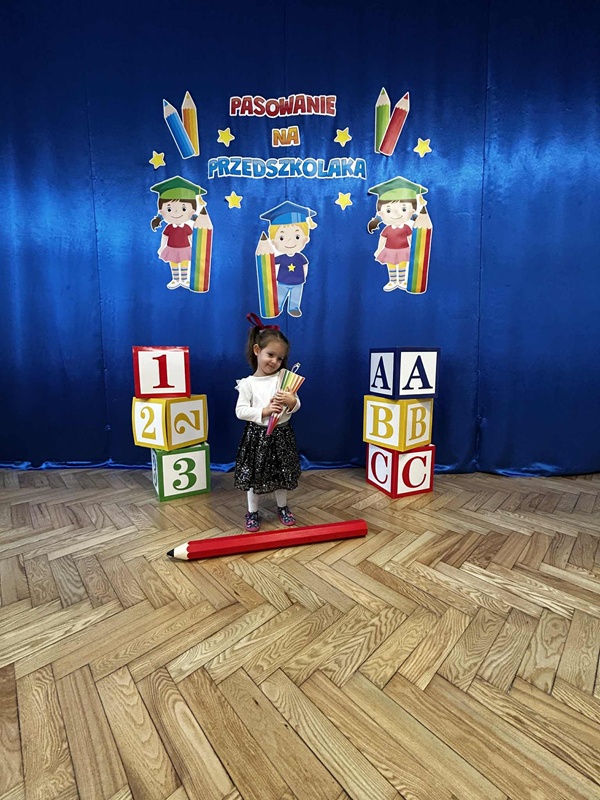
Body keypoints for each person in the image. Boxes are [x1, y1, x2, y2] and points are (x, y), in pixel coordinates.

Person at [234, 316, 302, 532]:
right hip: (257, 436)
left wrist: (291, 401)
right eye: (270, 355)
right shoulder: (247, 384)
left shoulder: (284, 378)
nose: (274, 361)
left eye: (280, 358)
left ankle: (282, 507)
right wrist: (264, 411)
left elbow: (296, 404)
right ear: (257, 350)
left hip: (282, 435)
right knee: (255, 476)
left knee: (282, 474)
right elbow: (240, 411)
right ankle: (252, 512)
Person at [367, 175, 431, 292]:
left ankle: (401, 280)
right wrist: (379, 249)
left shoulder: (406, 227)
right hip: (389, 250)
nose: (396, 213)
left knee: (402, 264)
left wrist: (414, 249)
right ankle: (393, 280)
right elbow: (382, 239)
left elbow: (411, 238)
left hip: (404, 249)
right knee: (391, 265)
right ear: (380, 213)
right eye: (388, 210)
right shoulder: (387, 229)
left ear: (412, 211)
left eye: (404, 209)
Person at [150, 176, 211, 290]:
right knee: (173, 263)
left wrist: (195, 248)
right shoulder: (169, 228)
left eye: (184, 209)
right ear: (161, 212)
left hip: (185, 248)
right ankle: (176, 279)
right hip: (171, 248)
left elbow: (191, 238)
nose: (176, 212)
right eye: (169, 209)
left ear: (192, 211)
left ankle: (184, 279)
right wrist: (161, 247)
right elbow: (164, 237)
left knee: (184, 263)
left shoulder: (187, 227)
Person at [260, 201, 317, 317]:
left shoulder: (300, 257)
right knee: (280, 295)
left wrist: (304, 277)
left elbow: (305, 266)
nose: (290, 241)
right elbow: (271, 263)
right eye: (281, 237)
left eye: (297, 236)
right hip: (282, 281)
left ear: (306, 239)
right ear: (273, 241)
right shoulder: (281, 257)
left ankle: (294, 308)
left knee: (296, 296)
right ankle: (278, 307)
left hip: (298, 282)